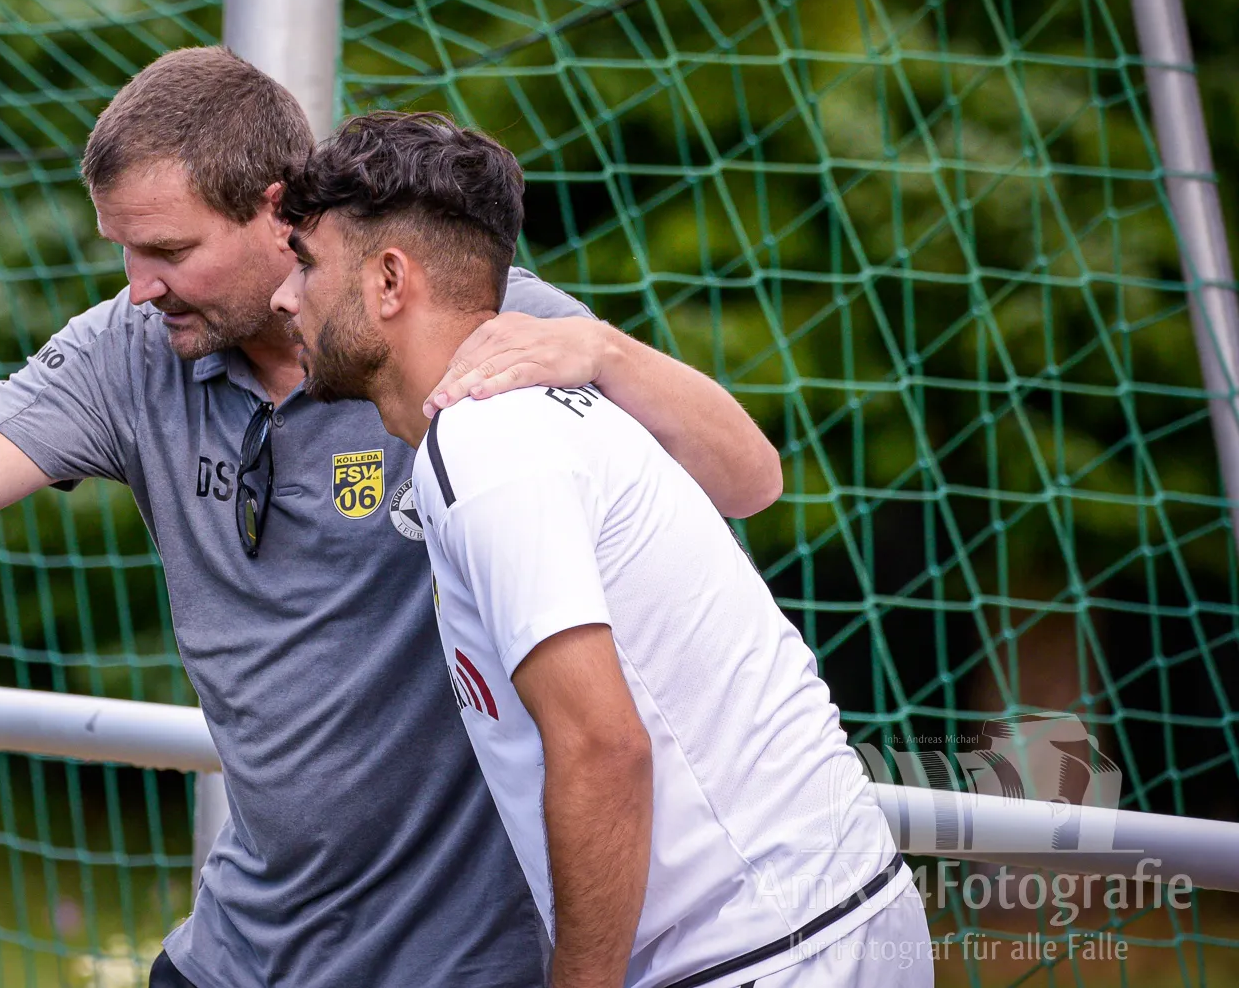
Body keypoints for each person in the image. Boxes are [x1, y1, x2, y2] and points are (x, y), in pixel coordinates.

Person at [0, 48, 783, 988]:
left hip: (465, 966)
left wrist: (604, 350)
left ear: (275, 210)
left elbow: (746, 479)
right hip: (238, 953)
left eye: (168, 251)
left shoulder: (464, 322)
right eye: (123, 249)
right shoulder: (126, 351)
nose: (138, 284)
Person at [270, 109, 931, 988]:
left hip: (760, 952)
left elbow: (603, 748)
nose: (285, 297)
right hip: (834, 917)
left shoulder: (484, 441)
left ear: (390, 279)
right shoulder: (541, 408)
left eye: (307, 264)